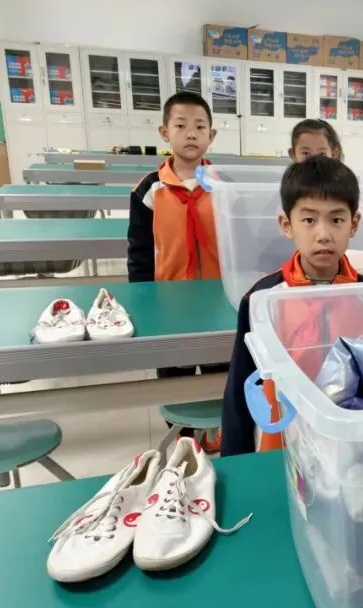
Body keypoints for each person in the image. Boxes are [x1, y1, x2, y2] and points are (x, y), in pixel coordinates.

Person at [220, 156, 363, 457]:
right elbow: (241, 385)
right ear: (286, 225)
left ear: (354, 224)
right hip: (282, 443)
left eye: (336, 220)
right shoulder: (262, 300)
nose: (323, 234)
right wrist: (236, 461)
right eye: (309, 220)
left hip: (352, 446)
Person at [127, 91, 225, 450]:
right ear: (164, 132)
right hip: (169, 302)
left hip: (217, 300)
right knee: (174, 375)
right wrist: (142, 300)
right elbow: (139, 251)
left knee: (218, 370)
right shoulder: (148, 190)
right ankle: (183, 436)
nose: (191, 133)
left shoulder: (224, 185)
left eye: (200, 126)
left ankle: (216, 431)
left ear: (211, 135)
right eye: (181, 125)